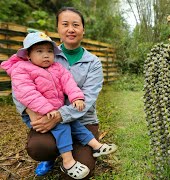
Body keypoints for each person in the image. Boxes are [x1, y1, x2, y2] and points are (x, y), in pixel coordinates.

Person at [8, 7, 117, 179]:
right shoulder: (42, 54)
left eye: (76, 25)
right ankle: (52, 156)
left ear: (83, 29)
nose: (71, 29)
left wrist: (60, 115)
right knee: (39, 147)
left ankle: (87, 149)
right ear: (58, 29)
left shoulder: (93, 62)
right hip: (46, 115)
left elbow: (87, 98)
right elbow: (21, 88)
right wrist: (33, 112)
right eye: (65, 24)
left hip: (82, 119)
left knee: (84, 170)